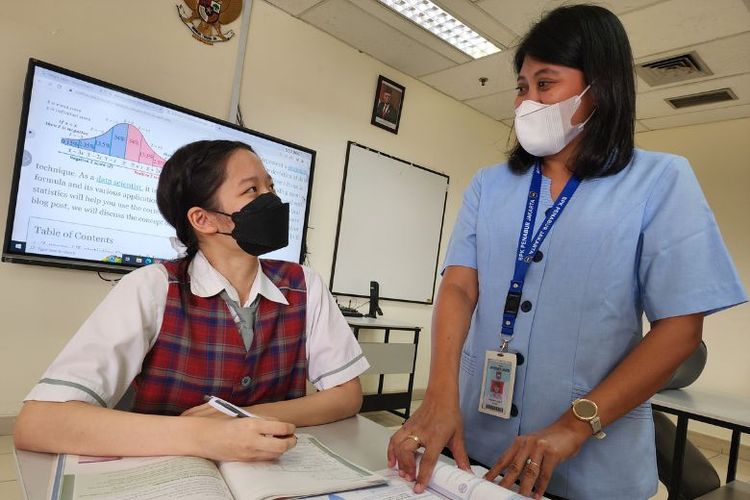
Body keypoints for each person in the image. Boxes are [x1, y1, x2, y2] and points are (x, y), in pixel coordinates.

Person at [388, 5, 746, 500]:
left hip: (594, 465)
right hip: (476, 446)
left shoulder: (661, 181)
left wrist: (575, 425)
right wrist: (440, 396)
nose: (526, 102)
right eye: (521, 86)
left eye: (545, 84)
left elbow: (681, 330)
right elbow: (459, 285)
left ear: (598, 88)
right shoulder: (489, 186)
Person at [14, 140, 369, 462]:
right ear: (203, 219)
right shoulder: (152, 287)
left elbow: (346, 395)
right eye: (252, 190)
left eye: (270, 186)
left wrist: (250, 417)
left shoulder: (305, 284)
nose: (271, 200)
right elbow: (38, 424)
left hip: (274, 471)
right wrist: (203, 436)